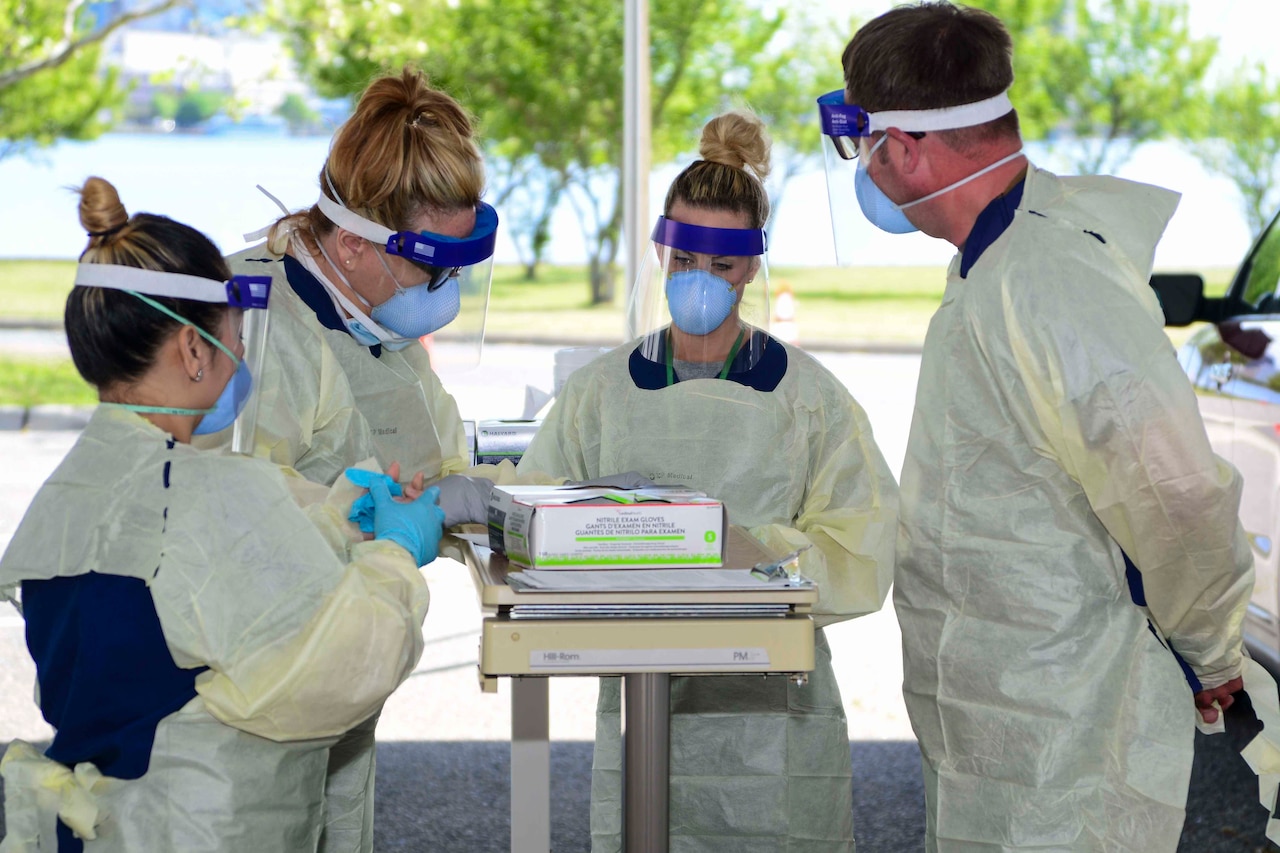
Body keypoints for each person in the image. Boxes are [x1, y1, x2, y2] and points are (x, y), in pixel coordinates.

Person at [822, 3, 1254, 849]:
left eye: (860, 146)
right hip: (1015, 721)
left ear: (903, 147)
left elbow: (1172, 489)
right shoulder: (996, 261)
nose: (863, 170)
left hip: (1069, 725)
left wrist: (1210, 647)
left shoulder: (1049, 275)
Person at [0, 177, 446, 852]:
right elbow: (343, 662)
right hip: (201, 827)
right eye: (237, 333)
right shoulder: (216, 498)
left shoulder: (66, 494)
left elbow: (189, 586)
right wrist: (393, 553)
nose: (243, 355)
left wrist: (333, 517)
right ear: (192, 351)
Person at [519, 110, 899, 852]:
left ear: (751, 265)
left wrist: (752, 552)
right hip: (639, 689)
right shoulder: (602, 392)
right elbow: (535, 510)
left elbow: (863, 543)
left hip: (773, 714)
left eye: (721, 266)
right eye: (684, 259)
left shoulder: (806, 397)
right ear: (662, 251)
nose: (700, 281)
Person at [206, 67, 508, 850]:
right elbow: (235, 530)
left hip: (331, 676)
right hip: (243, 709)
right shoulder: (256, 323)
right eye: (430, 266)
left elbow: (427, 455)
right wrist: (391, 515)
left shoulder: (374, 325)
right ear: (350, 241)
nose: (443, 289)